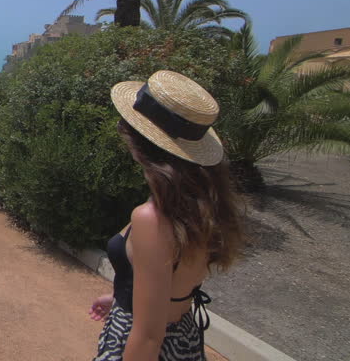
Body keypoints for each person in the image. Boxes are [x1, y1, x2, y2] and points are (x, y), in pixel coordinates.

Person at [89, 70, 244, 361]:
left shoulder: (152, 218)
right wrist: (121, 298)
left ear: (137, 140)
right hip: (182, 336)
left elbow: (148, 337)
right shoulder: (200, 204)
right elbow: (171, 282)